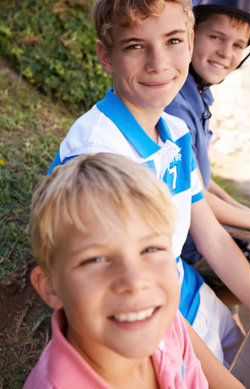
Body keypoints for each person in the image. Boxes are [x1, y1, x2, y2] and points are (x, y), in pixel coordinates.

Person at [48, 1, 250, 387]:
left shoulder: (174, 131)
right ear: (105, 56)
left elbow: (212, 237)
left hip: (186, 292)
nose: (158, 63)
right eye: (134, 46)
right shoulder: (100, 158)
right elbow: (134, 296)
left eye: (173, 40)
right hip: (144, 324)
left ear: (190, 43)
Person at [24, 153, 210, 388]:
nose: (135, 281)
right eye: (95, 259)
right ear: (51, 287)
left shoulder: (161, 319)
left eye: (151, 248)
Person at [165, 0, 250, 266]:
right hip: (181, 247)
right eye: (216, 37)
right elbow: (192, 192)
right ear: (189, 35)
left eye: (238, 45)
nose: (225, 52)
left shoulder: (198, 92)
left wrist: (236, 205)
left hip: (195, 231)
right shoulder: (176, 106)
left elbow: (198, 174)